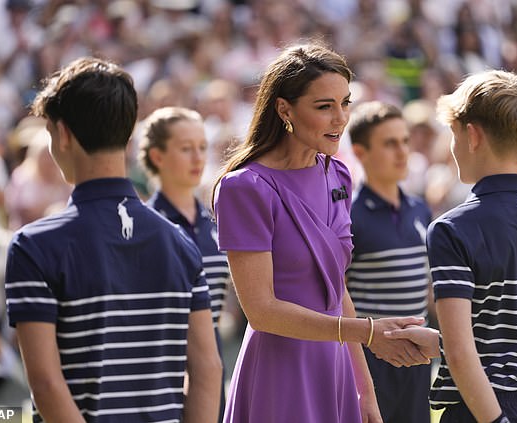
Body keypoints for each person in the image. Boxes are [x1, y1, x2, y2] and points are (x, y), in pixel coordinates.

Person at [212, 41, 428, 423]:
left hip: (337, 365)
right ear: (284, 109)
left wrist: (365, 390)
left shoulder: (338, 174)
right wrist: (367, 332)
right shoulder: (244, 187)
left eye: (345, 103)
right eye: (324, 106)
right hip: (279, 372)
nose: (341, 118)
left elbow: (336, 287)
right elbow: (262, 312)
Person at [4, 56, 222, 423]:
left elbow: (45, 383)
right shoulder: (180, 241)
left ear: (63, 134)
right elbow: (208, 368)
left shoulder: (33, 245)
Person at [386, 70, 517, 423]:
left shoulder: (451, 228)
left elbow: (460, 355)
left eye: (453, 134)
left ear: (472, 135)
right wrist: (439, 342)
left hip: (482, 412)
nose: (452, 146)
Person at [140, 106, 230, 421]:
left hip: (212, 360)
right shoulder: (144, 226)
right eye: (185, 148)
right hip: (161, 367)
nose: (197, 158)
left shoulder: (216, 222)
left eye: (202, 148)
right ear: (157, 156)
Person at [346, 100, 433, 423]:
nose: (402, 152)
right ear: (360, 152)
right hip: (369, 364)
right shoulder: (348, 216)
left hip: (418, 362)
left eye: (405, 142)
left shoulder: (420, 210)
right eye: (389, 143)